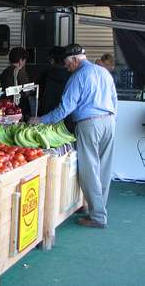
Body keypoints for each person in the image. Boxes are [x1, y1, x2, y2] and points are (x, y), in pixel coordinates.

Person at [29, 44, 118, 229]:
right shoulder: (103, 73)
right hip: (109, 121)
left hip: (89, 124)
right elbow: (114, 99)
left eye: (67, 64)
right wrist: (111, 118)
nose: (66, 67)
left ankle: (98, 217)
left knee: (89, 169)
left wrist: (41, 120)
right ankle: (98, 209)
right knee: (104, 167)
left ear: (75, 60)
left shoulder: (78, 77)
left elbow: (65, 109)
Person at [38, 46, 73, 132]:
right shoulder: (72, 75)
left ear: (52, 60)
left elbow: (40, 95)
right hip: (68, 118)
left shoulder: (46, 74)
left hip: (47, 118)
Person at [0, 47, 31, 117]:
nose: (24, 63)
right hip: (19, 107)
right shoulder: (20, 72)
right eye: (24, 61)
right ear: (20, 60)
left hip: (6, 105)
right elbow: (27, 92)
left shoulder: (5, 72)